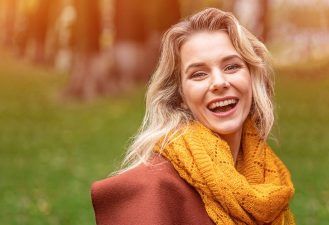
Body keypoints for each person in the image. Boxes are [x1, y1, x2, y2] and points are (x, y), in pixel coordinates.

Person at [91, 8, 295, 225]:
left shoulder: (269, 180)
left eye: (231, 66)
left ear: (252, 77)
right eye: (199, 74)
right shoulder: (153, 189)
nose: (219, 82)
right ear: (180, 96)